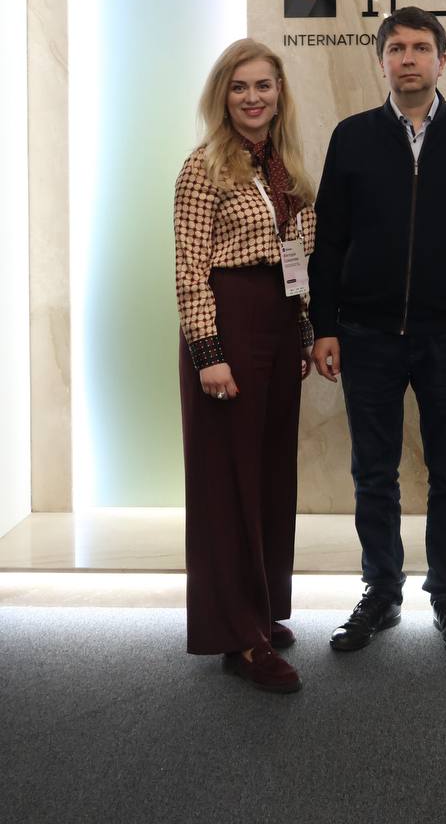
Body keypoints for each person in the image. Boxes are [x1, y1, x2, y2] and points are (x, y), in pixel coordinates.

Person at [309, 6, 446, 659]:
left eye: (420, 47)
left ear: (441, 60)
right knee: (373, 473)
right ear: (382, 61)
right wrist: (324, 325)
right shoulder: (352, 136)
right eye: (396, 48)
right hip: (366, 334)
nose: (408, 58)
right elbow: (328, 241)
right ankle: (381, 592)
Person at [174, 38, 315, 693]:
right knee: (227, 483)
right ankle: (238, 638)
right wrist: (209, 354)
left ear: (279, 94)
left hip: (279, 324)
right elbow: (188, 270)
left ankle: (259, 609)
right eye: (239, 87)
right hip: (229, 321)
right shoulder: (203, 167)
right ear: (222, 96)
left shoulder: (286, 169)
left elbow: (300, 260)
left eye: (263, 85)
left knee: (269, 473)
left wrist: (304, 331)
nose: (252, 97)